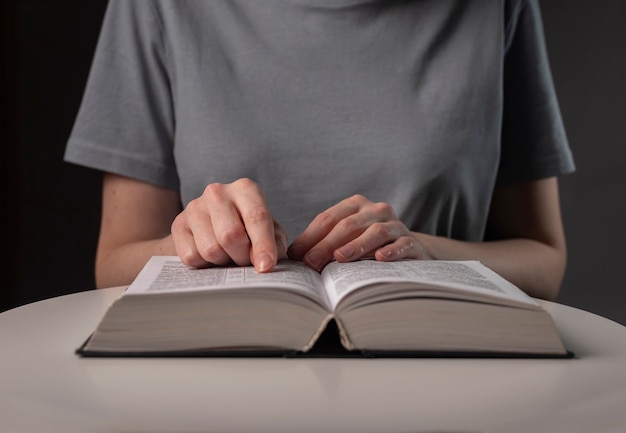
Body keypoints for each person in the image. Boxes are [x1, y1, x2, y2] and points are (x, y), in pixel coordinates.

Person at [65, 0, 575, 300]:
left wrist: (428, 253)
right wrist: (196, 243)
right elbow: (113, 266)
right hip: (216, 384)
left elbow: (544, 262)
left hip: (441, 379)